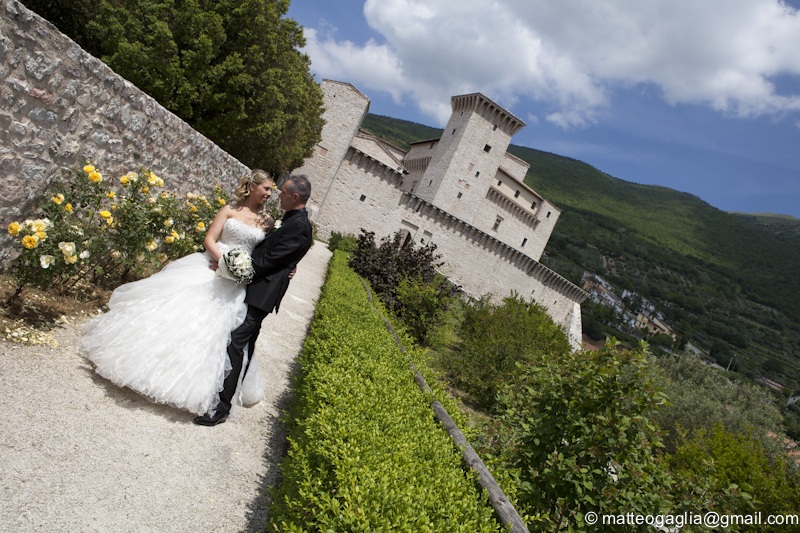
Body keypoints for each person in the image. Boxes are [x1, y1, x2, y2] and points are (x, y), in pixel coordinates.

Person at [80, 170, 277, 416]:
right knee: (180, 314)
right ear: (252, 186)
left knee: (222, 331)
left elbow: (267, 254)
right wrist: (224, 262)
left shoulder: (266, 222)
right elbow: (209, 239)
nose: (269, 194)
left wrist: (254, 271)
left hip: (236, 282)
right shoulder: (229, 210)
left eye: (271, 190)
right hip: (212, 267)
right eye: (266, 189)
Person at [193, 174, 313, 426]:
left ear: (294, 197)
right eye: (270, 189)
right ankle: (222, 395)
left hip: (261, 294)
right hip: (252, 288)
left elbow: (269, 260)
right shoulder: (292, 221)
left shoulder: (300, 226)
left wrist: (232, 267)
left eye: (281, 192)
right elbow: (277, 254)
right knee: (242, 343)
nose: (275, 195)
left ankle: (221, 408)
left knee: (236, 343)